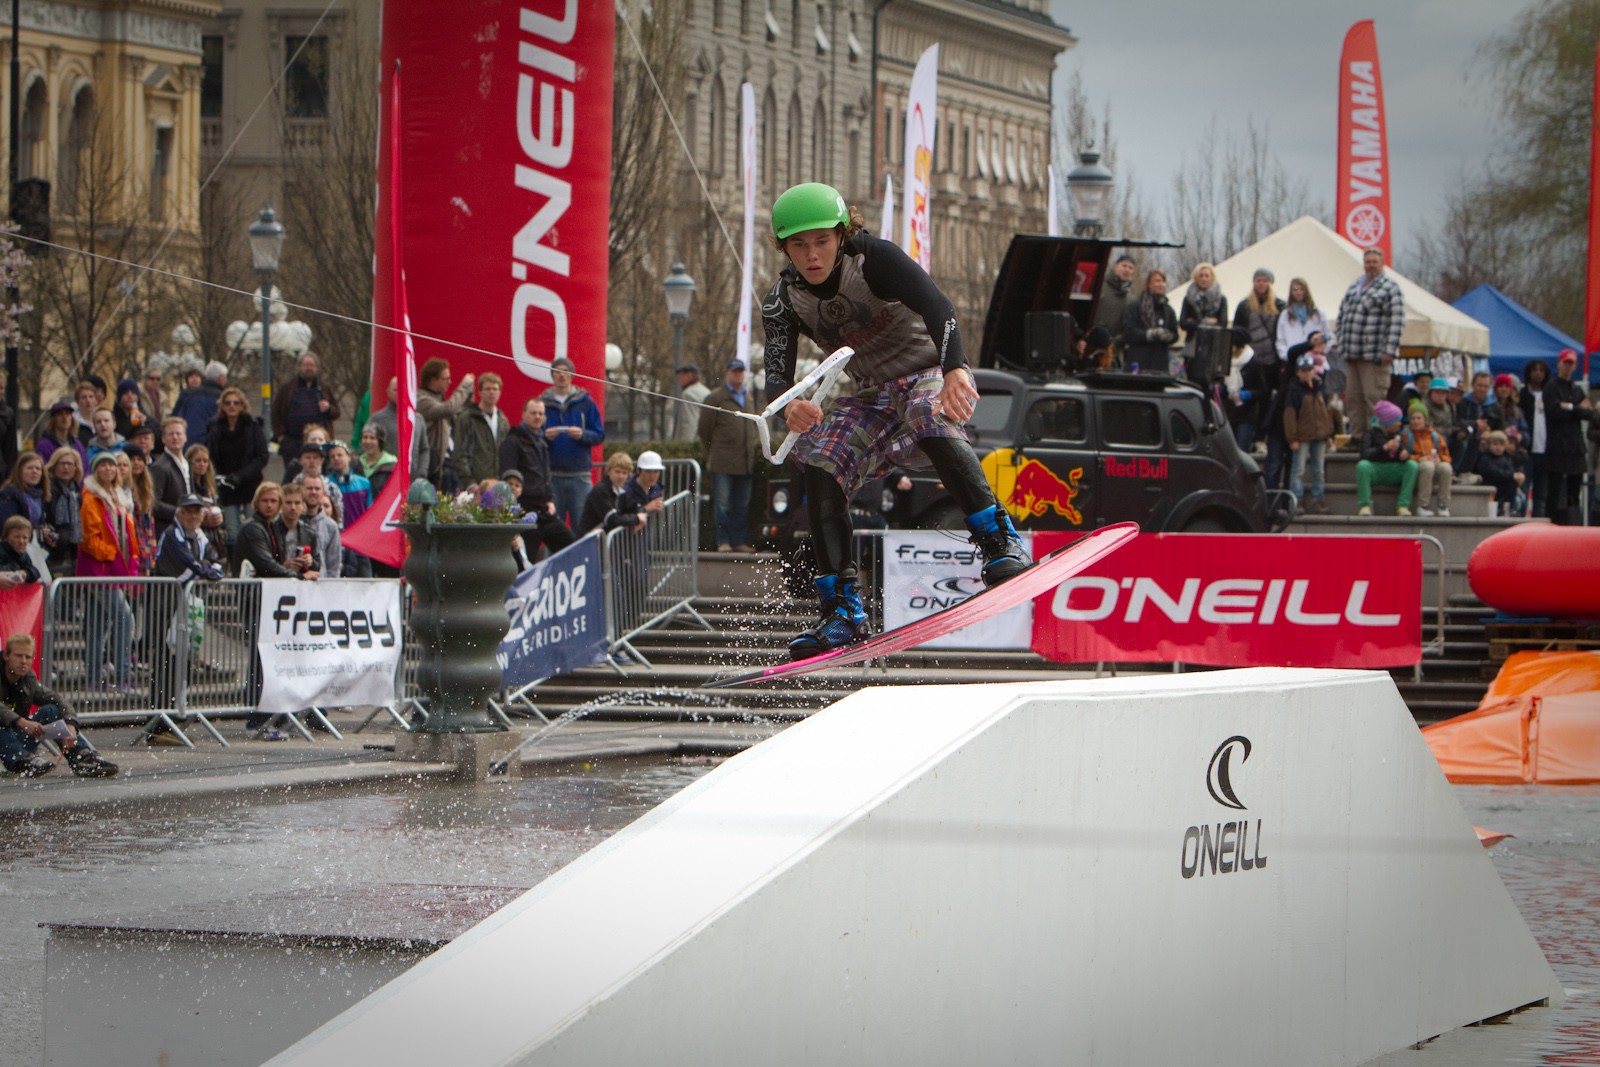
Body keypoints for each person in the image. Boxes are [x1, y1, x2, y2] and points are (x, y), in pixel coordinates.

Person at [762, 182, 1028, 659]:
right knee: (819, 459)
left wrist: (955, 368)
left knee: (926, 411)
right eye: (799, 245)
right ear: (784, 247)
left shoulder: (874, 259)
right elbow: (776, 375)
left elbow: (939, 306)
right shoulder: (783, 300)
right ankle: (842, 611)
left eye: (822, 241)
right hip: (872, 395)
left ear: (841, 234)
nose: (812, 255)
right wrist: (787, 406)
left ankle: (999, 540)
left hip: (926, 373)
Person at [149, 493, 225, 723]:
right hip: (166, 605)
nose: (193, 516)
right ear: (179, 514)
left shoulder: (201, 537)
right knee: (166, 662)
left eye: (197, 512)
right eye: (188, 512)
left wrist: (209, 569)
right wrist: (207, 569)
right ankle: (160, 721)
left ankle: (176, 715)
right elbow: (191, 566)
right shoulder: (172, 534)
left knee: (185, 661)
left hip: (188, 606)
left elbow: (217, 562)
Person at [0, 632, 118, 777]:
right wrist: (21, 722)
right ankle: (21, 761)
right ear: (6, 655)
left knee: (51, 710)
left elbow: (58, 700)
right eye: (18, 656)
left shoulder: (28, 678)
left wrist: (70, 725)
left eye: (28, 657)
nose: (23, 661)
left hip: (14, 739)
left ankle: (81, 756)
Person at [77, 451, 139, 691]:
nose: (108, 469)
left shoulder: (119, 497)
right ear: (95, 470)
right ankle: (123, 675)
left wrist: (130, 560)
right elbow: (89, 539)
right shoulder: (91, 498)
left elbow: (127, 533)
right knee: (125, 618)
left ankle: (93, 677)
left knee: (97, 625)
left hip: (114, 569)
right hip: (99, 570)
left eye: (111, 465)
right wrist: (113, 555)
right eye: (102, 465)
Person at [1335, 247, 1405, 441]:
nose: (1371, 265)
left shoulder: (1390, 288)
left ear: (1382, 264)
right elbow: (1342, 316)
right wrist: (1341, 341)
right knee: (1353, 398)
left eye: (1374, 262)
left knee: (1373, 399)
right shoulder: (1354, 286)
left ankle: (1374, 438)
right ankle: (1357, 437)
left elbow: (1397, 321)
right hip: (1352, 354)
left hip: (1374, 356)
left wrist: (1389, 350)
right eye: (1368, 262)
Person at [499, 397, 575, 557]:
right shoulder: (512, 442)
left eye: (541, 413)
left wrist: (550, 499)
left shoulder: (542, 442)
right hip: (525, 512)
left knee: (572, 547)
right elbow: (508, 477)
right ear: (523, 414)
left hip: (544, 511)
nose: (537, 417)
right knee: (525, 562)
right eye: (533, 413)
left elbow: (546, 476)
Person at [698, 359, 760, 552]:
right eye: (734, 371)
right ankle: (723, 541)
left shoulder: (748, 397)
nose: (738, 374)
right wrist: (715, 452)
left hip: (745, 462)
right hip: (722, 462)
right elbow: (704, 429)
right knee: (723, 504)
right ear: (726, 372)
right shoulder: (715, 398)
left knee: (742, 505)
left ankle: (739, 541)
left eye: (740, 371)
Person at [205, 386, 268, 563]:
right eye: (228, 403)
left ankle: (255, 564)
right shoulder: (215, 427)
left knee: (252, 526)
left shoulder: (252, 426)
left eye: (236, 402)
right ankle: (235, 567)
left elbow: (262, 456)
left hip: (250, 484)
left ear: (242, 405)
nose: (232, 406)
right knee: (232, 530)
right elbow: (210, 455)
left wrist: (241, 475)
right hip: (226, 485)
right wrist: (219, 477)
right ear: (222, 406)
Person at [542, 356, 605, 529]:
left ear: (572, 375)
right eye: (557, 371)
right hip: (552, 476)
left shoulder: (585, 402)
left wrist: (583, 434)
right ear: (552, 375)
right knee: (554, 528)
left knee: (583, 526)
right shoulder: (542, 403)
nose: (561, 375)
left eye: (565, 371)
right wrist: (545, 437)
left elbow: (599, 434)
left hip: (580, 476)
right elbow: (534, 436)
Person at [271, 352, 340, 481]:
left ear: (317, 368)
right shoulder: (287, 388)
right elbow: (275, 413)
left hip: (318, 443)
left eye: (312, 365)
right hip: (292, 443)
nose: (309, 368)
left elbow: (336, 412)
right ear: (300, 367)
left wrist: (328, 408)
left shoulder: (324, 388)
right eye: (306, 365)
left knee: (319, 477)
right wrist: (281, 436)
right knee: (294, 478)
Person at [1544, 348, 1594, 523]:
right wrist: (1577, 409)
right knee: (1555, 490)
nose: (1567, 367)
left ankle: (1573, 523)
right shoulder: (1551, 387)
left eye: (1571, 364)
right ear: (1559, 364)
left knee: (1574, 492)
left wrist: (1570, 407)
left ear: (1575, 366)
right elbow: (1553, 411)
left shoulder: (1576, 389)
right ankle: (1551, 522)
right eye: (1565, 363)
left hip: (1575, 447)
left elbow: (1589, 413)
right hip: (1557, 447)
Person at [1282, 353, 1332, 514]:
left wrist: (1329, 434)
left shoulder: (1320, 388)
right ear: (1298, 372)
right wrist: (1292, 437)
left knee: (1319, 470)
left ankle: (1319, 499)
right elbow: (1289, 415)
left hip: (1320, 434)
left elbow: (1326, 412)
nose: (1307, 373)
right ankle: (1297, 500)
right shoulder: (1294, 390)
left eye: (1309, 369)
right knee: (1298, 470)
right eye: (1303, 370)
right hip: (1301, 436)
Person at [415, 357, 475, 492]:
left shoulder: (439, 399)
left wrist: (469, 396)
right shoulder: (422, 400)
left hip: (449, 463)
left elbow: (459, 414)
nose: (449, 382)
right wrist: (464, 386)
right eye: (445, 379)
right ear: (432, 380)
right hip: (431, 466)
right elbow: (448, 409)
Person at [1355, 400, 1418, 517]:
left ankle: (1403, 506)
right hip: (1375, 470)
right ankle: (1365, 505)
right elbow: (1364, 454)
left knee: (1412, 466)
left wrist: (1404, 455)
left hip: (1393, 470)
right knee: (1362, 466)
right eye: (1397, 421)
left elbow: (1405, 453)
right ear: (1388, 422)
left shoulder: (1398, 434)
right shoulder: (1370, 433)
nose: (1400, 423)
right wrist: (1384, 448)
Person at [326, 442, 374, 577]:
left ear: (348, 457)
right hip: (338, 543)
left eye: (339, 455)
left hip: (360, 543)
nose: (336, 458)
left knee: (366, 582)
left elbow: (370, 512)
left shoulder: (364, 483)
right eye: (332, 456)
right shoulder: (326, 484)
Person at [452, 370, 507, 487]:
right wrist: (469, 482)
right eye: (487, 389)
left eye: (495, 389)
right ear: (480, 392)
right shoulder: (467, 418)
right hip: (473, 484)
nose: (491, 392)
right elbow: (459, 453)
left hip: (496, 484)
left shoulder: (503, 421)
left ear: (500, 392)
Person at [1120, 268, 1177, 375]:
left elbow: (1175, 334)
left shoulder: (1168, 310)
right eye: (1157, 281)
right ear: (1149, 284)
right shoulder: (1135, 306)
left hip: (1160, 364)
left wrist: (1167, 336)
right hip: (1138, 361)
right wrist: (1149, 334)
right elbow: (1128, 332)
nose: (1160, 284)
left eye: (1163, 281)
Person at [577, 452, 647, 537]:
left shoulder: (621, 491)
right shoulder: (600, 491)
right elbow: (612, 520)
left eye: (624, 473)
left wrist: (640, 515)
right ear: (609, 471)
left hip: (603, 540)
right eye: (617, 472)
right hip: (590, 539)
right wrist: (637, 519)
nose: (621, 476)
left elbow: (636, 507)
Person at [1179, 262, 1228, 380]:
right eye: (1201, 276)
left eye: (1207, 275)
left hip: (1214, 346)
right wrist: (1204, 322)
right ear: (1196, 277)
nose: (1204, 279)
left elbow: (1223, 323)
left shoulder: (1221, 299)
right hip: (1193, 347)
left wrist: (1194, 322)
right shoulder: (1188, 299)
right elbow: (1183, 323)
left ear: (1212, 277)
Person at [1402, 403, 1453, 517]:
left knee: (1446, 468)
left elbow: (1446, 454)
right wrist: (1419, 459)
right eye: (1413, 418)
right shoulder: (1406, 435)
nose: (1416, 421)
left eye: (1419, 418)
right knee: (1427, 466)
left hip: (1434, 464)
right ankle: (1423, 505)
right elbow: (1404, 455)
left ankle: (1443, 505)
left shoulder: (1434, 435)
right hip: (1419, 467)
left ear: (1425, 419)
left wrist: (1440, 458)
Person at [1518, 358, 1553, 517]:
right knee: (1524, 488)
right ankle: (1521, 519)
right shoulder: (1523, 395)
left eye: (1541, 370)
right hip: (1527, 451)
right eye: (1534, 370)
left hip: (1545, 450)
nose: (1538, 373)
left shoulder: (1550, 395)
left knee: (1541, 493)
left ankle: (1539, 520)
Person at [41, 448, 83, 577]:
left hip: (71, 548)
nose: (66, 467)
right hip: (52, 548)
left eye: (69, 464)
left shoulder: (76, 491)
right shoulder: (46, 488)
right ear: (54, 465)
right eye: (62, 463)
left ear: (76, 468)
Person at [149, 417, 192, 537]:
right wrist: (178, 512)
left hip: (187, 526)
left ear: (185, 437)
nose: (175, 437)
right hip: (168, 529)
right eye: (171, 434)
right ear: (163, 439)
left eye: (178, 433)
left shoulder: (187, 463)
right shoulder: (159, 467)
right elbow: (154, 502)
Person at [1092, 254, 1137, 359]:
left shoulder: (1131, 299)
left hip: (1113, 353)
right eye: (1124, 265)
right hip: (1091, 345)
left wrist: (1116, 343)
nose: (1127, 270)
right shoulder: (1099, 287)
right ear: (1115, 266)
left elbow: (1129, 328)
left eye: (1130, 268)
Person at [298, 475, 343, 578]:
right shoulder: (292, 521)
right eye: (309, 488)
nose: (313, 492)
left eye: (317, 489)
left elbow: (334, 565)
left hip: (321, 583)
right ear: (301, 490)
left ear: (323, 492)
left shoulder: (331, 526)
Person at [274, 483, 321, 580]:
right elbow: (266, 564)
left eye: (297, 503)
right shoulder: (271, 530)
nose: (293, 507)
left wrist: (310, 562)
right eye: (288, 503)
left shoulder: (310, 533)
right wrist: (284, 566)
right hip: (277, 581)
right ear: (281, 505)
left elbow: (318, 565)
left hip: (301, 583)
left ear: (303, 505)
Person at [172, 361, 225, 445]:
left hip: (190, 440)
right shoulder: (221, 396)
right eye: (191, 377)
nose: (194, 379)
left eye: (197, 376)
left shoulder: (189, 396)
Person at [1475, 430, 1526, 516]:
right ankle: (1502, 508)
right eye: (1495, 444)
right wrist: (1511, 476)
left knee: (1521, 497)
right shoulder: (1485, 458)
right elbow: (1493, 472)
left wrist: (1517, 476)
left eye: (1501, 445)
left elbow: (1510, 470)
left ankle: (1509, 510)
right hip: (1491, 485)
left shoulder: (1506, 458)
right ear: (1489, 445)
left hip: (1503, 488)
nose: (1498, 447)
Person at [1456, 371, 1494, 479]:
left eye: (1485, 386)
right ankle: (1463, 471)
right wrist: (1474, 424)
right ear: (1473, 385)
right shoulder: (1463, 402)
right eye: (1479, 385)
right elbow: (1457, 421)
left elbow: (1500, 426)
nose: (1482, 389)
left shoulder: (1495, 406)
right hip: (1467, 432)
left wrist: (1489, 432)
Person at [0, 451, 46, 529]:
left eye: (38, 468)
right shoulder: (10, 495)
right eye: (30, 468)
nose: (34, 471)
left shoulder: (38, 495)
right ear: (19, 471)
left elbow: (40, 523)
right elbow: (6, 524)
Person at [35, 400, 87, 469]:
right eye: (60, 414)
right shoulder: (44, 445)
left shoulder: (77, 444)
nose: (64, 417)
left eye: (67, 414)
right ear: (53, 419)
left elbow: (85, 468)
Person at [672, 364, 712, 440]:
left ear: (689, 375)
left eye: (681, 375)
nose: (679, 379)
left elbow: (689, 422)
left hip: (695, 441)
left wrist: (686, 445)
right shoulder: (706, 392)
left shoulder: (689, 394)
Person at [358, 423, 398, 496]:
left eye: (372, 438)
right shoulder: (356, 464)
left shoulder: (392, 466)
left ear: (380, 441)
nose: (368, 441)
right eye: (365, 437)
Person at [0, 516, 40, 587]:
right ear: (6, 537)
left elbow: (35, 571)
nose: (21, 541)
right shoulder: (2, 550)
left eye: (25, 537)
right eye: (16, 537)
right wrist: (17, 571)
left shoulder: (23, 554)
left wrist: (25, 573)